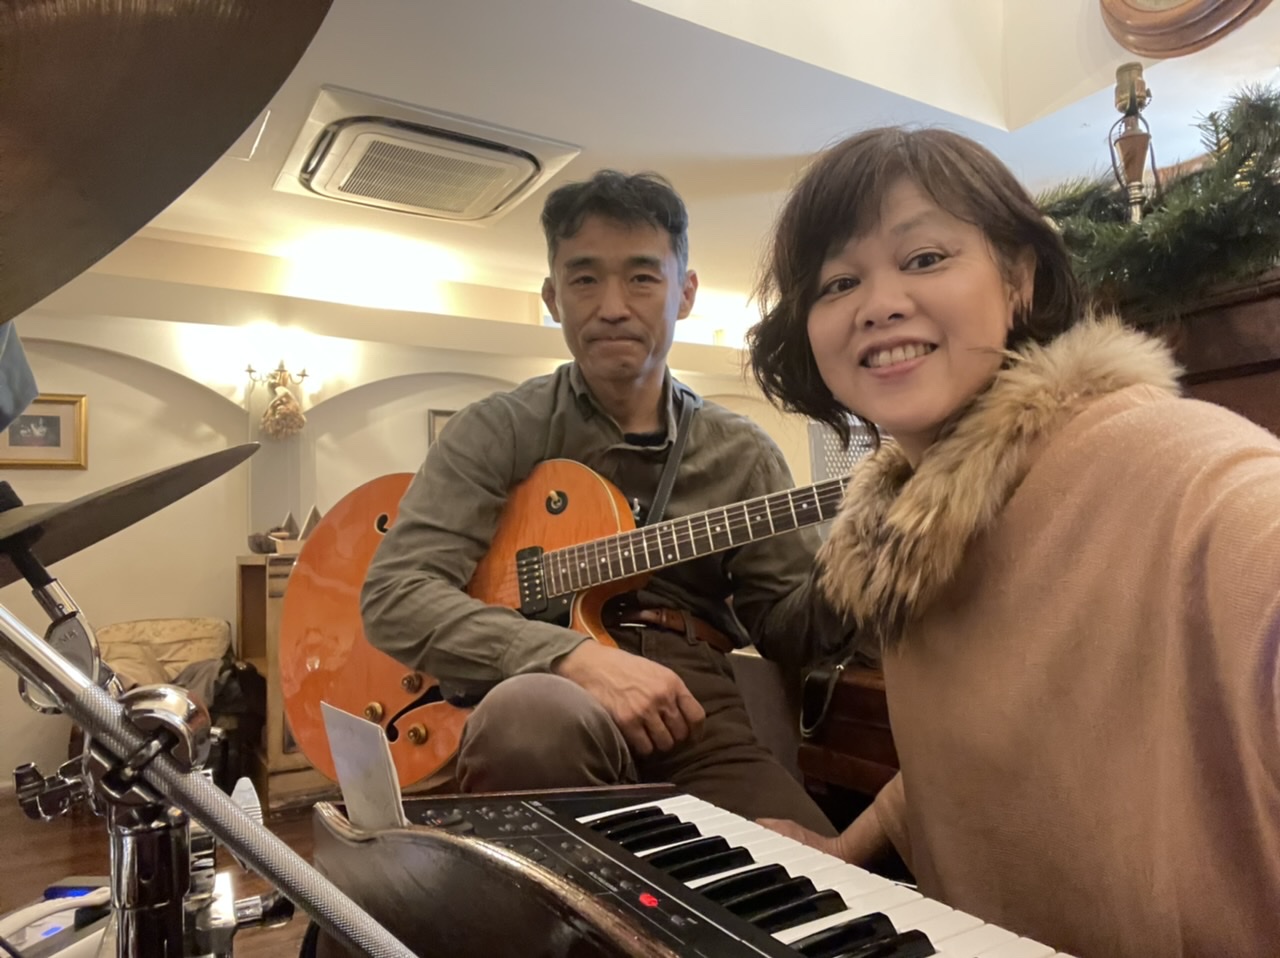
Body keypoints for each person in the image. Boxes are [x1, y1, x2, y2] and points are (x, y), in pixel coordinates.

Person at [745, 125, 1280, 957]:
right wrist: (846, 849)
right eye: (839, 282)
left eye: (924, 258)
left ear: (1019, 279)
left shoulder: (1168, 458)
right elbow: (972, 751)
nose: (878, 303)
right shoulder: (906, 535)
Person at [361, 170, 852, 834]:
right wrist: (571, 659)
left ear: (685, 293)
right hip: (543, 695)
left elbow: (787, 631)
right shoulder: (499, 429)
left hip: (693, 708)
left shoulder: (743, 453)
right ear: (552, 297)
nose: (613, 306)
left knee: (818, 871)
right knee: (529, 723)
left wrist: (860, 568)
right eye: (585, 279)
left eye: (642, 278)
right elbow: (395, 595)